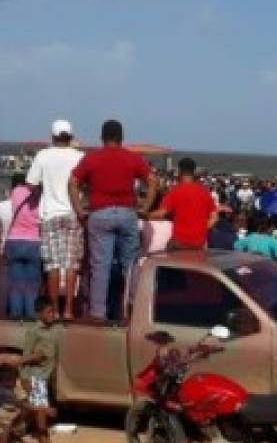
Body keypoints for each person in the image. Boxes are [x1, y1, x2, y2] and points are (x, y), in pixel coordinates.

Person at [70, 119, 156, 322]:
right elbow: (152, 181)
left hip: (99, 214)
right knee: (131, 264)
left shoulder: (91, 159)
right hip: (127, 213)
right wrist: (145, 208)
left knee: (100, 266)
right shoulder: (133, 158)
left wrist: (79, 210)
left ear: (102, 138)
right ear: (122, 138)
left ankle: (98, 313)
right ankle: (132, 309)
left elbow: (73, 182)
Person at [26, 120, 85, 319]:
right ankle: (68, 309)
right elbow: (85, 185)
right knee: (71, 265)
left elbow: (31, 184)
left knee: (52, 266)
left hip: (50, 214)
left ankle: (54, 310)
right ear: (70, 136)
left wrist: (44, 189)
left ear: (52, 136)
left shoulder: (43, 155)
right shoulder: (80, 157)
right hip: (72, 214)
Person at [18, 297, 67, 443]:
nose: (52, 314)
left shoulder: (52, 330)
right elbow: (26, 355)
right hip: (36, 375)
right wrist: (24, 378)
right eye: (48, 312)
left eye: (53, 311)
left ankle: (14, 430)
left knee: (32, 409)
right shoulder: (33, 332)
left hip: (46, 375)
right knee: (40, 410)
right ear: (39, 313)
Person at [150, 157, 216, 251]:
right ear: (194, 171)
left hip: (179, 242)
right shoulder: (205, 192)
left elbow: (161, 213)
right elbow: (214, 217)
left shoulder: (175, 191)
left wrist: (145, 215)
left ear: (180, 171)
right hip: (200, 243)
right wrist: (202, 228)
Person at [4, 173, 42, 320]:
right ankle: (31, 318)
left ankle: (15, 318)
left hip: (14, 240)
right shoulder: (40, 194)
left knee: (16, 285)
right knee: (32, 286)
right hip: (33, 241)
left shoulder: (16, 191)